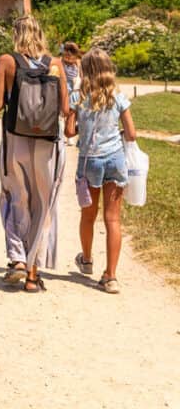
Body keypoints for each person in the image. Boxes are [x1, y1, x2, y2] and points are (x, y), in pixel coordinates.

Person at [0, 15, 70, 292]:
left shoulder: (7, 61)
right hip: (47, 142)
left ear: (16, 35)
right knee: (43, 203)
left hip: (16, 139)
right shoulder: (56, 64)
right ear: (40, 34)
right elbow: (65, 109)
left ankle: (17, 258)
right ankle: (33, 275)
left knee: (14, 196)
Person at [70, 48, 135, 294]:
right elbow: (131, 133)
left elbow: (69, 132)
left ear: (85, 70)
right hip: (115, 161)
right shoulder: (118, 97)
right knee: (113, 219)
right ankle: (110, 276)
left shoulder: (80, 98)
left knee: (88, 215)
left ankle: (86, 260)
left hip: (90, 162)